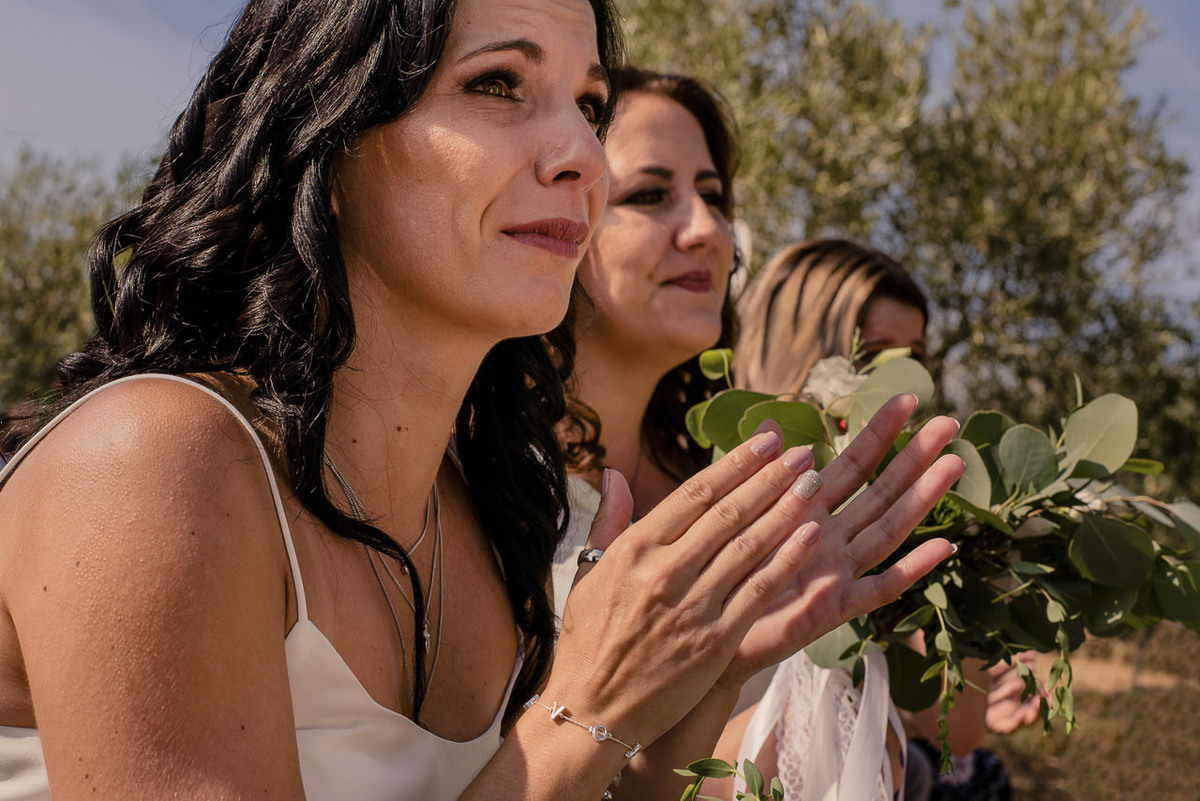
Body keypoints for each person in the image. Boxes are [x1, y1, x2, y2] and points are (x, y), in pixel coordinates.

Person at [0, 6, 962, 794]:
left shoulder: (490, 507)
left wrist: (699, 688)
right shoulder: (153, 460)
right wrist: (589, 708)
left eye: (587, 102)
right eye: (499, 84)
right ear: (327, 142)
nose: (584, 153)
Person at [551, 70, 963, 799]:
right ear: (558, 218)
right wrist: (789, 732)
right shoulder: (488, 479)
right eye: (650, 194)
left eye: (713, 195)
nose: (709, 229)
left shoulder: (741, 482)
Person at [730, 239, 1037, 801]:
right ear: (796, 350)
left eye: (914, 355)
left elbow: (960, 732)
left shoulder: (897, 516)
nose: (900, 380)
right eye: (872, 356)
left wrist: (972, 554)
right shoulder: (707, 500)